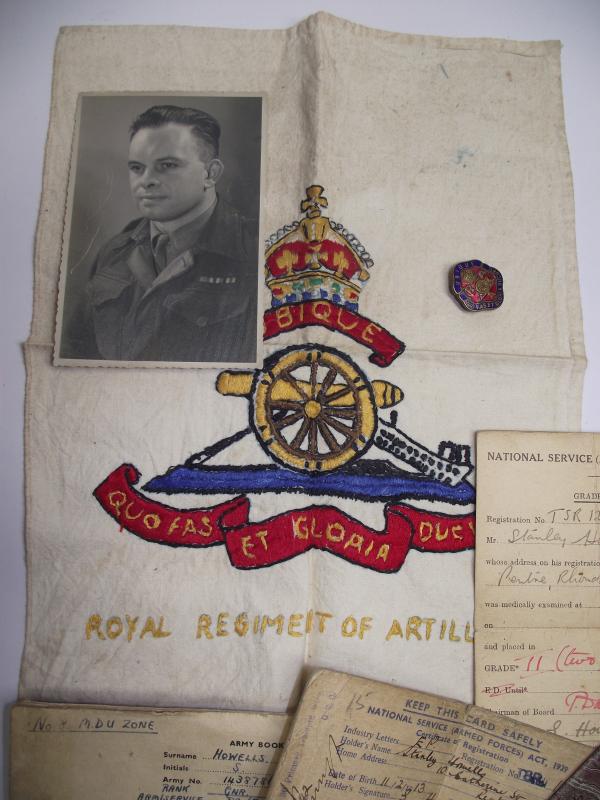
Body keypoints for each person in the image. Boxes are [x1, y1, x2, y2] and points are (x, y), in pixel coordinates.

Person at [63, 104, 258, 363]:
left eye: (166, 165)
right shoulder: (114, 252)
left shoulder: (256, 252)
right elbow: (74, 356)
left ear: (211, 174)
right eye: (136, 168)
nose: (146, 180)